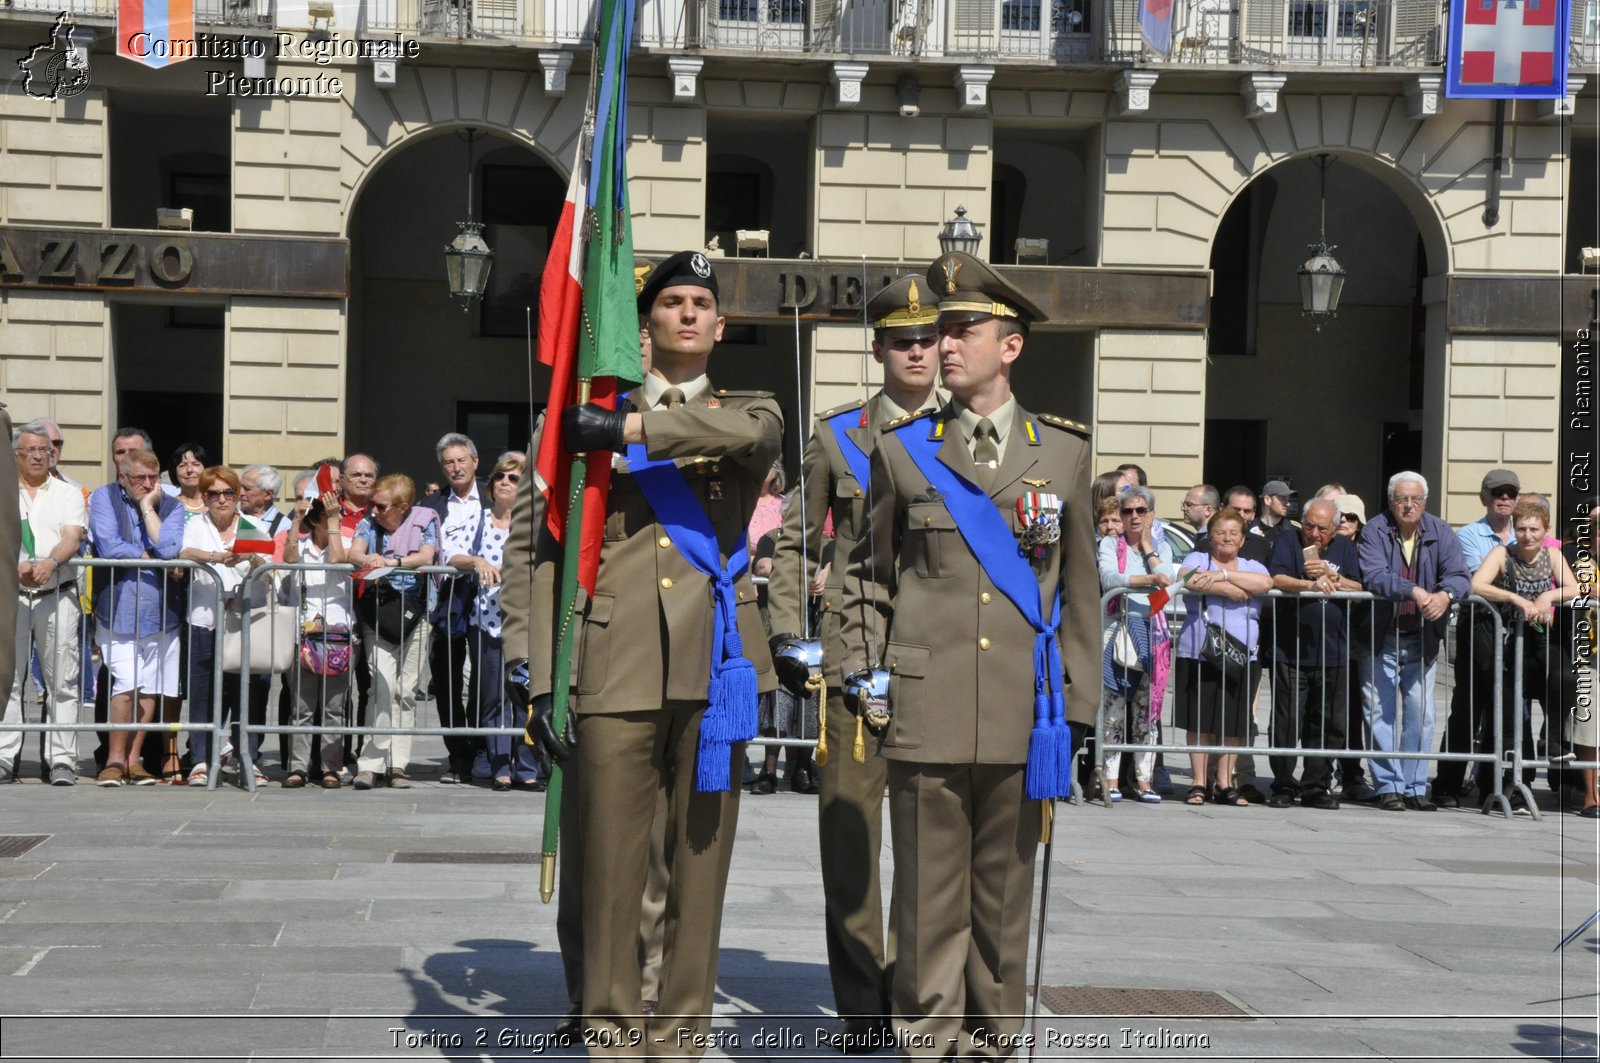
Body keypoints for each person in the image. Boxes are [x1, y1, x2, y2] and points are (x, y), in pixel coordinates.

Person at [516, 250, 782, 1057]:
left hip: (714, 661)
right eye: (673, 302)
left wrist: (629, 430)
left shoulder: (753, 408)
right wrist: (542, 676)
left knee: (697, 870)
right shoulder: (576, 416)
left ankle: (679, 1038)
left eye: (703, 301)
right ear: (647, 323)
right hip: (613, 660)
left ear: (722, 324)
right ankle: (609, 1031)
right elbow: (544, 552)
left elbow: (747, 439)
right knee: (611, 869)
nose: (690, 314)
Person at [839, 251, 1098, 1054]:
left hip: (1026, 712)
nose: (944, 346)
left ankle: (993, 1042)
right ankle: (926, 1042)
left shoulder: (1063, 454)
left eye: (963, 330)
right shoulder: (903, 450)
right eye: (939, 332)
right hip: (925, 704)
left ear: (1010, 345)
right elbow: (866, 576)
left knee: (1003, 902)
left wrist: (1080, 705)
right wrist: (859, 668)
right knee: (924, 904)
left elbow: (1080, 589)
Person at [767, 274, 942, 1045]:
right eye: (901, 340)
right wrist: (783, 630)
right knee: (851, 843)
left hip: (937, 660)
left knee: (932, 842)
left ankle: (918, 994)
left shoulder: (966, 434)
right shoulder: (839, 433)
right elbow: (794, 539)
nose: (915, 350)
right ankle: (862, 1006)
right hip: (855, 657)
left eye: (927, 339)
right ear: (878, 349)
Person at [1357, 471, 1471, 811]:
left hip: (1422, 636)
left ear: (1425, 501)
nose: (1409, 505)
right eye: (1401, 499)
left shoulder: (1439, 531)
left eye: (1415, 499)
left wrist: (1445, 594)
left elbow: (1460, 575)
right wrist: (1415, 590)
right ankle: (1388, 786)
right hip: (1380, 636)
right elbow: (1375, 575)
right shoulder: (1375, 529)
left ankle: (1415, 786)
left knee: (1422, 714)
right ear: (1391, 502)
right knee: (1380, 712)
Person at [1469, 497, 1584, 809]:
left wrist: (1548, 594)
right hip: (1509, 639)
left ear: (1545, 530)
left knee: (1564, 679)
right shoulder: (1502, 554)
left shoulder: (1553, 554)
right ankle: (1512, 780)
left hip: (1543, 639)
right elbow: (1477, 585)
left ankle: (1554, 742)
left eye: (1534, 529)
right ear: (1513, 530)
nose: (1528, 535)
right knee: (1508, 704)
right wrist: (1515, 598)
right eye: (1521, 529)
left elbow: (1574, 588)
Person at [87, 448, 185, 786]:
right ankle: (113, 760)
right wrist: (148, 554)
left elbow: (171, 549)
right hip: (118, 608)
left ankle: (134, 759)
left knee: (150, 688)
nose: (146, 484)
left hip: (161, 611)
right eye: (139, 479)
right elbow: (108, 544)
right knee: (126, 683)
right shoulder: (103, 497)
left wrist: (146, 508)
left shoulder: (171, 504)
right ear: (123, 477)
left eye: (152, 478)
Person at [444, 454, 538, 791]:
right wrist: (476, 560)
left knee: (526, 695)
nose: (505, 482)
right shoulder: (478, 518)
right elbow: (450, 553)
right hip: (486, 622)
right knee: (492, 697)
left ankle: (527, 766)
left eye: (514, 478)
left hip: (527, 623)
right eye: (500, 476)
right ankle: (500, 766)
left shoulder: (533, 522)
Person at [1265, 498, 1363, 809]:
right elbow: (1276, 578)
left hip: (1333, 651)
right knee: (1286, 721)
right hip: (1290, 650)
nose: (1314, 533)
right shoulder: (1288, 539)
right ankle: (1282, 784)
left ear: (1335, 530)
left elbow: (1359, 586)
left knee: (1328, 724)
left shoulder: (1345, 549)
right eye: (1309, 525)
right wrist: (1309, 584)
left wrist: (1332, 577)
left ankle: (1316, 787)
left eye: (1322, 528)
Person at [178, 466, 272, 787]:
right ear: (204, 497)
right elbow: (184, 551)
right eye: (213, 493)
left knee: (249, 691)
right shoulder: (195, 523)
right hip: (206, 618)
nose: (221, 499)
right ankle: (200, 759)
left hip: (248, 621)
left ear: (237, 495)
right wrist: (217, 556)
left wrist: (250, 557)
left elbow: (270, 565)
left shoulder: (253, 525)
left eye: (228, 492)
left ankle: (249, 758)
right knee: (203, 691)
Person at [1173, 507, 1273, 806]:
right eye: (1220, 532)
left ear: (1242, 540)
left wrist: (1222, 576)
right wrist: (1228, 589)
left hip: (1241, 653)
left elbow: (1265, 584)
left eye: (1233, 533)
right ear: (1210, 537)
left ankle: (1225, 782)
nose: (1226, 538)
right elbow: (1186, 578)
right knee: (1200, 719)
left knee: (1233, 722)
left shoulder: (1253, 565)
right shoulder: (1197, 558)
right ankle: (1198, 782)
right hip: (1199, 651)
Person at [4, 420, 85, 785]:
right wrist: (14, 564)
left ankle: (62, 760)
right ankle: (5, 756)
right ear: (15, 455)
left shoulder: (67, 492)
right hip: (12, 596)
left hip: (57, 591)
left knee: (62, 680)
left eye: (45, 450)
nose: (39, 456)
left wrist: (50, 562)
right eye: (32, 450)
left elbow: (73, 535)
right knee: (9, 679)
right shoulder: (5, 491)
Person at [1434, 468, 1521, 808]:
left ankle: (1493, 785)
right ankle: (1447, 783)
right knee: (1467, 707)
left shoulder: (1526, 534)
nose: (1504, 498)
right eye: (1497, 492)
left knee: (1507, 708)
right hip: (1478, 626)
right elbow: (1477, 579)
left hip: (1516, 631)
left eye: (1510, 493)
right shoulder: (1469, 535)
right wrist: (1515, 585)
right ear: (1483, 497)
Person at [349, 473, 439, 790]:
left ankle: (397, 765)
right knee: (382, 686)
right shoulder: (369, 523)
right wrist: (368, 558)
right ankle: (370, 764)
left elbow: (427, 556)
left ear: (402, 507)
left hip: (417, 613)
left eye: (381, 506)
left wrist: (394, 561)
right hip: (379, 613)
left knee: (406, 691)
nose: (374, 510)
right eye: (373, 504)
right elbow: (353, 552)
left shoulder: (425, 520)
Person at [1097, 484, 1174, 802]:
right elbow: (1109, 578)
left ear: (1151, 514)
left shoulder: (1162, 546)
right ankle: (1110, 778)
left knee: (1146, 711)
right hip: (1116, 631)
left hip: (1151, 632)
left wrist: (1148, 550)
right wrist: (1147, 581)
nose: (1133, 516)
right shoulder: (1109, 543)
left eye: (1141, 510)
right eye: (1127, 510)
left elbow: (1168, 579)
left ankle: (1144, 781)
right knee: (1113, 709)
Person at [424, 433, 488, 784]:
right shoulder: (432, 505)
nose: (456, 467)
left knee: (484, 677)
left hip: (486, 597)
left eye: (462, 460)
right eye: (449, 462)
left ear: (475, 462)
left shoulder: (494, 500)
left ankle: (480, 750)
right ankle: (458, 756)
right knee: (446, 679)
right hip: (446, 598)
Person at [282, 492, 351, 788]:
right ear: (314, 520)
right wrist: (296, 521)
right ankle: (297, 767)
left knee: (334, 707)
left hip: (338, 635)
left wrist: (334, 521)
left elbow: (336, 559)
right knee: (302, 707)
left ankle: (331, 767)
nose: (336, 518)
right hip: (305, 635)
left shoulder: (345, 541)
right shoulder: (303, 546)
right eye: (327, 516)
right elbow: (288, 558)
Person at [239, 465, 291, 539]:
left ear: (268, 495)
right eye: (240, 486)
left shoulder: (284, 526)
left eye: (247, 489)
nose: (241, 493)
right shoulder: (232, 517)